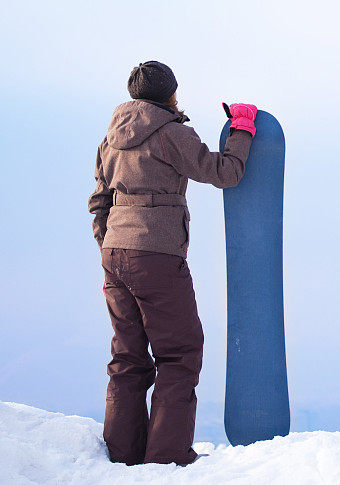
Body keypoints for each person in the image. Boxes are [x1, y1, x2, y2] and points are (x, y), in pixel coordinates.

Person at [88, 60, 257, 466]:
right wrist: (242, 130)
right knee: (179, 354)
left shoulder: (110, 139)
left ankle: (121, 455)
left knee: (128, 357)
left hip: (114, 255)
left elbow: (99, 201)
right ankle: (165, 459)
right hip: (156, 257)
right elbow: (224, 172)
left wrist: (110, 245)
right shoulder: (171, 134)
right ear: (171, 94)